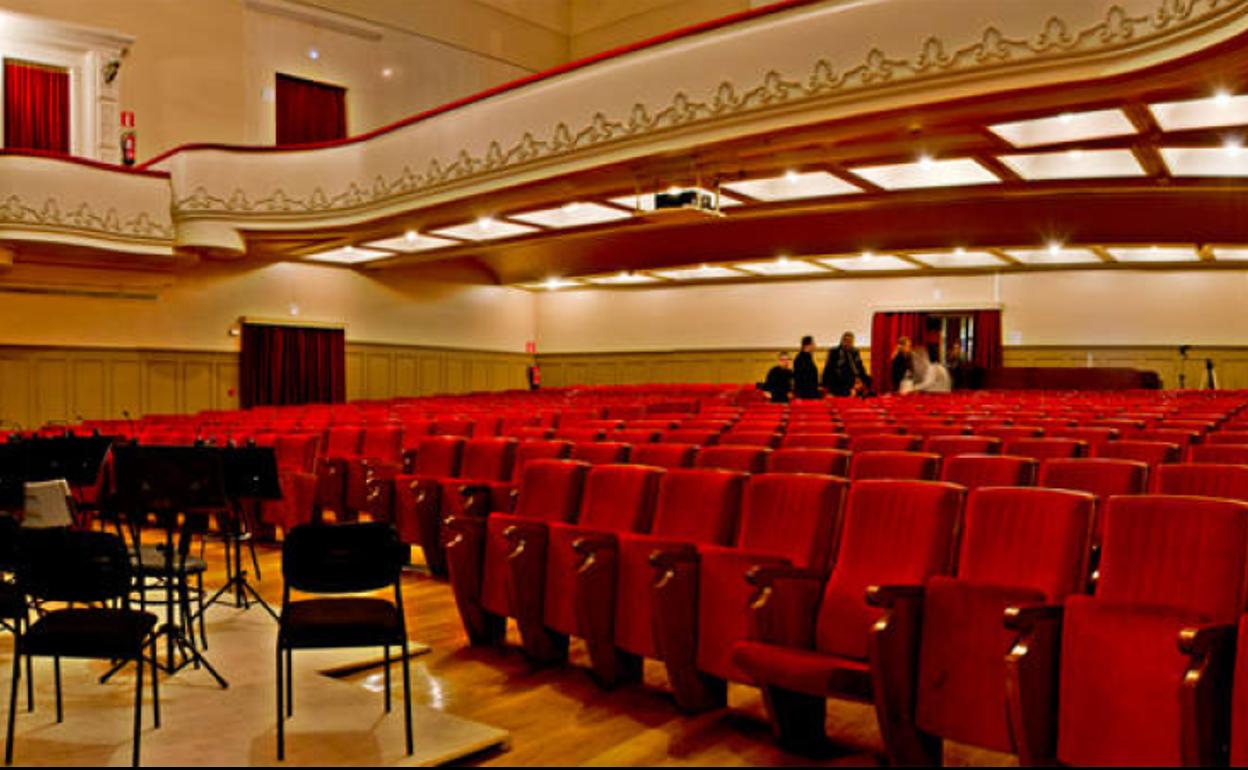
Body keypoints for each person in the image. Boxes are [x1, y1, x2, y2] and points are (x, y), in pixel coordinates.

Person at [822, 331, 872, 397]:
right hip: (840, 377)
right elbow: (831, 369)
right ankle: (852, 390)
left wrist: (861, 379)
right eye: (846, 341)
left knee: (869, 379)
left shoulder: (855, 352)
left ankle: (859, 391)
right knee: (845, 377)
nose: (848, 343)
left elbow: (860, 366)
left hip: (854, 377)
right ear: (842, 341)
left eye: (850, 341)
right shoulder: (835, 352)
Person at [793, 335, 820, 400]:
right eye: (813, 343)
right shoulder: (800, 359)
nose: (815, 345)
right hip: (805, 394)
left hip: (810, 392)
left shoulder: (808, 357)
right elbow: (801, 378)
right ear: (807, 345)